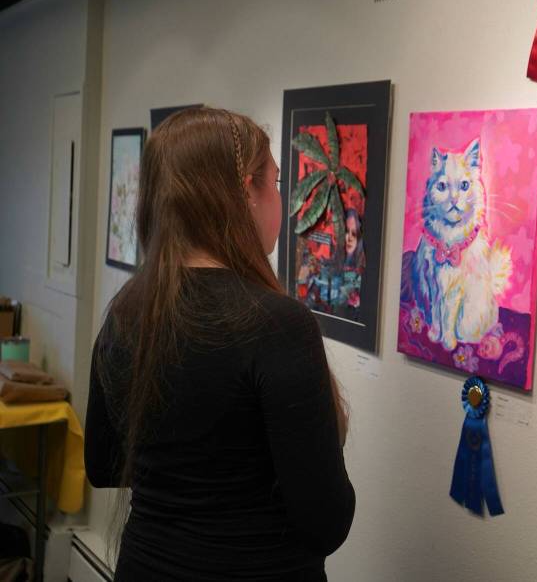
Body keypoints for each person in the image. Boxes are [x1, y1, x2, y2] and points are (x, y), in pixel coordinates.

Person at [85, 107, 355, 581]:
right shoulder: (278, 324)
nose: (280, 197)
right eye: (274, 180)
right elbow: (327, 521)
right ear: (243, 193)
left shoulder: (128, 310)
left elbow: (103, 464)